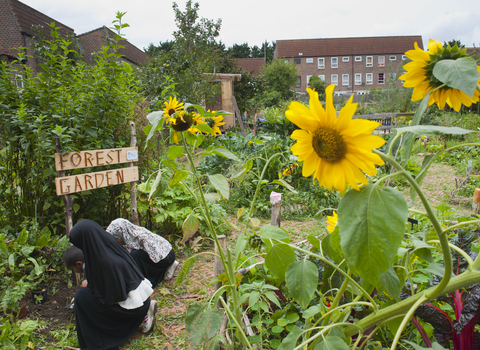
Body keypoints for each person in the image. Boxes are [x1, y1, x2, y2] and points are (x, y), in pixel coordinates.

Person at [64, 219, 157, 350]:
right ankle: (145, 310)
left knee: (81, 298)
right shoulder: (109, 244)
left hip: (134, 308)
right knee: (86, 295)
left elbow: (113, 298)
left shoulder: (103, 262)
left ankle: (96, 338)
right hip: (142, 298)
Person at [106, 218, 179, 288]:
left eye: (116, 239)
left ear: (122, 234)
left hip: (166, 257)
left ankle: (168, 266)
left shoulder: (141, 237)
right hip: (162, 256)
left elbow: (157, 255)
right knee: (134, 256)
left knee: (134, 255)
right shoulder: (131, 237)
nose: (116, 242)